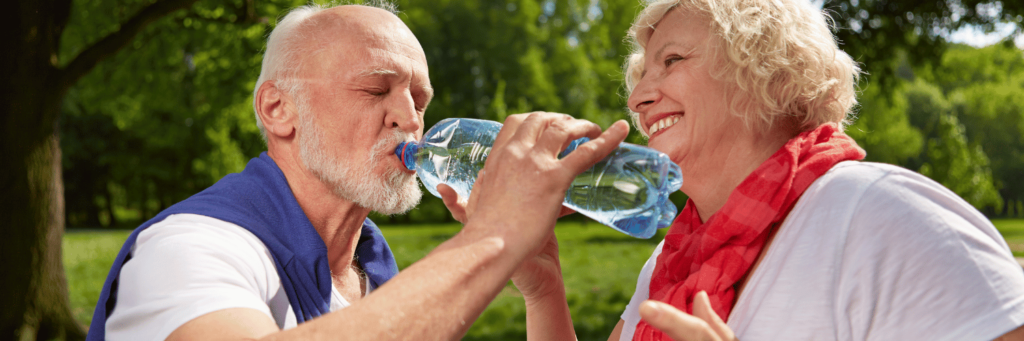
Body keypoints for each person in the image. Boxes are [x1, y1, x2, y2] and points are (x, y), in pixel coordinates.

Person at [85, 3, 630, 340]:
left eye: (420, 98)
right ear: (278, 109)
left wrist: (541, 292)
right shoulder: (188, 248)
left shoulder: (373, 269)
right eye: (375, 89)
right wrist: (495, 236)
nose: (410, 118)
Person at [509, 0, 1024, 340]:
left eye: (671, 60)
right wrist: (543, 289)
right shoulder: (673, 259)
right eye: (641, 74)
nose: (638, 97)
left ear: (767, 72)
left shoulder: (883, 214)